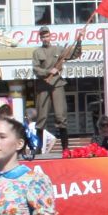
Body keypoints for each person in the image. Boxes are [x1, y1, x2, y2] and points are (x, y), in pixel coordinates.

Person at [31, 17, 83, 149]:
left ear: (50, 36)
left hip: (57, 84)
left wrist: (79, 41)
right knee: (41, 118)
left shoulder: (58, 49)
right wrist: (49, 70)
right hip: (43, 85)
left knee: (61, 116)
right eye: (42, 36)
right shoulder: (37, 52)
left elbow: (74, 54)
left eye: (47, 35)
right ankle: (38, 148)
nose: (45, 38)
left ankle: (65, 148)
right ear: (40, 38)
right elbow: (36, 69)